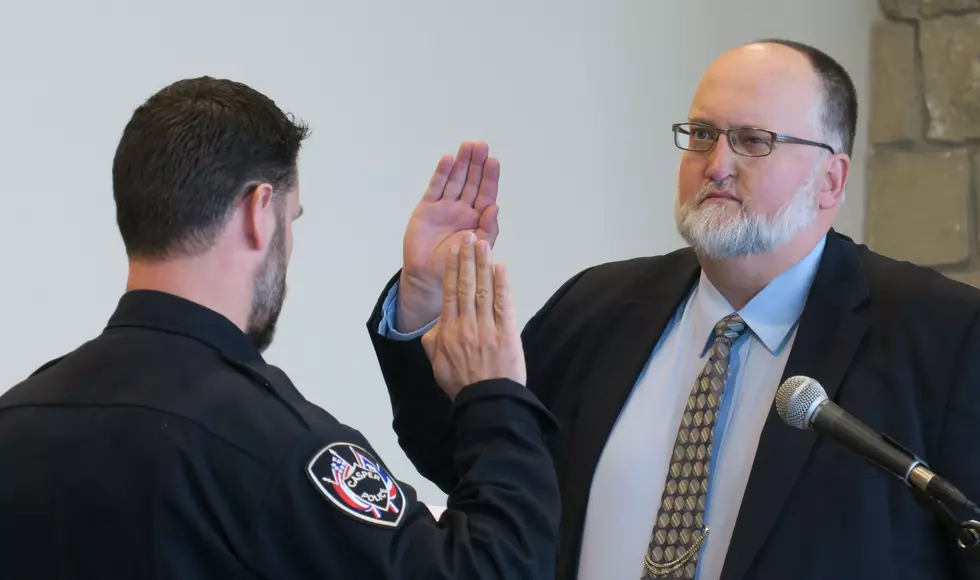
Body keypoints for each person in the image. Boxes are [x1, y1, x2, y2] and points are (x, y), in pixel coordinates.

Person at [366, 39, 980, 579]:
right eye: (704, 135)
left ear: (831, 180)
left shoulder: (941, 335)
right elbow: (477, 464)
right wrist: (423, 299)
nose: (716, 165)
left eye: (753, 141)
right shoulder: (597, 308)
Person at [0, 77, 562, 579]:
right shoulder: (276, 447)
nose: (289, 246)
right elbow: (493, 569)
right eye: (291, 220)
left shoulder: (18, 420)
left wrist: (420, 305)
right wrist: (494, 396)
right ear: (258, 209)